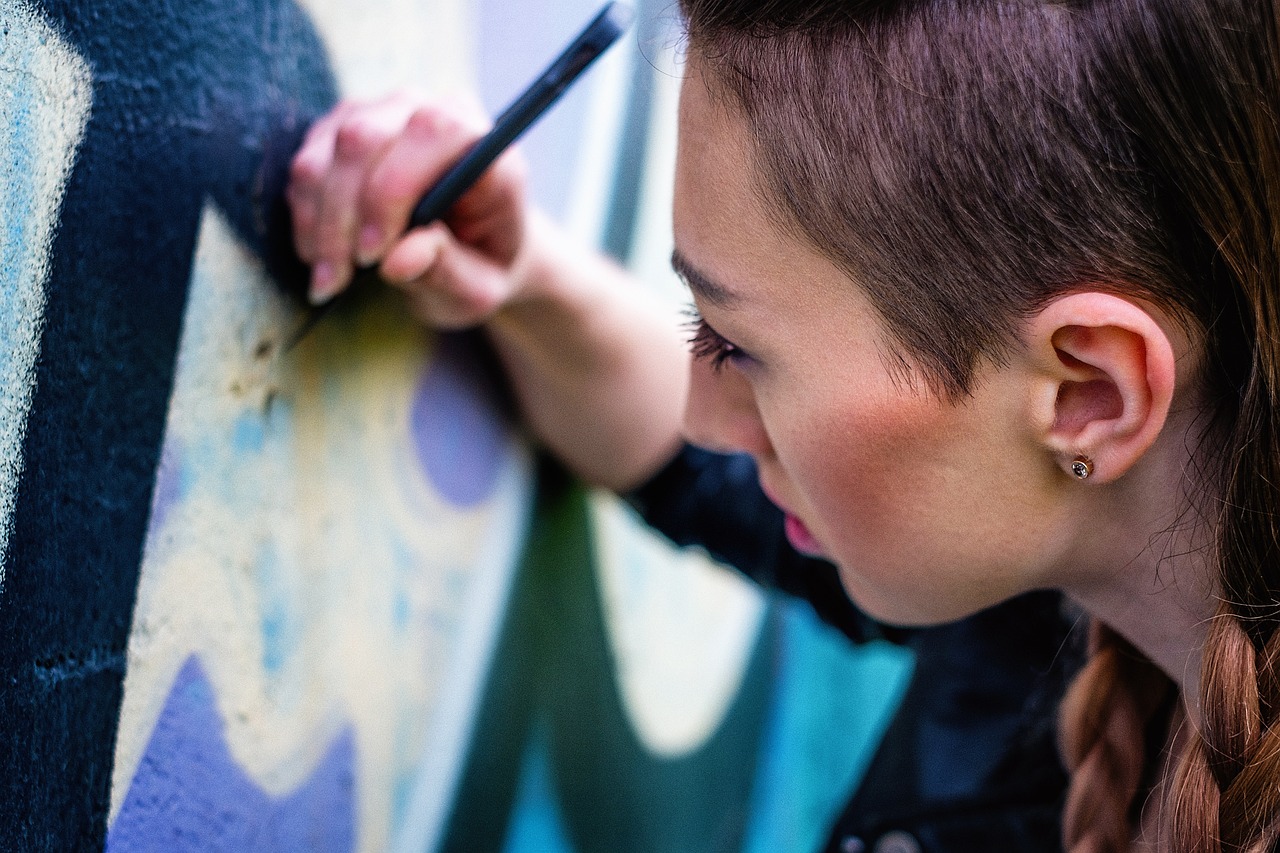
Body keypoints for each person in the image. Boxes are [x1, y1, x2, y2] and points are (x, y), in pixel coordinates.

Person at [287, 0, 1280, 850]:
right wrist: (522, 278)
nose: (704, 417)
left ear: (1086, 396)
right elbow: (667, 459)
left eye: (737, 349)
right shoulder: (1052, 567)